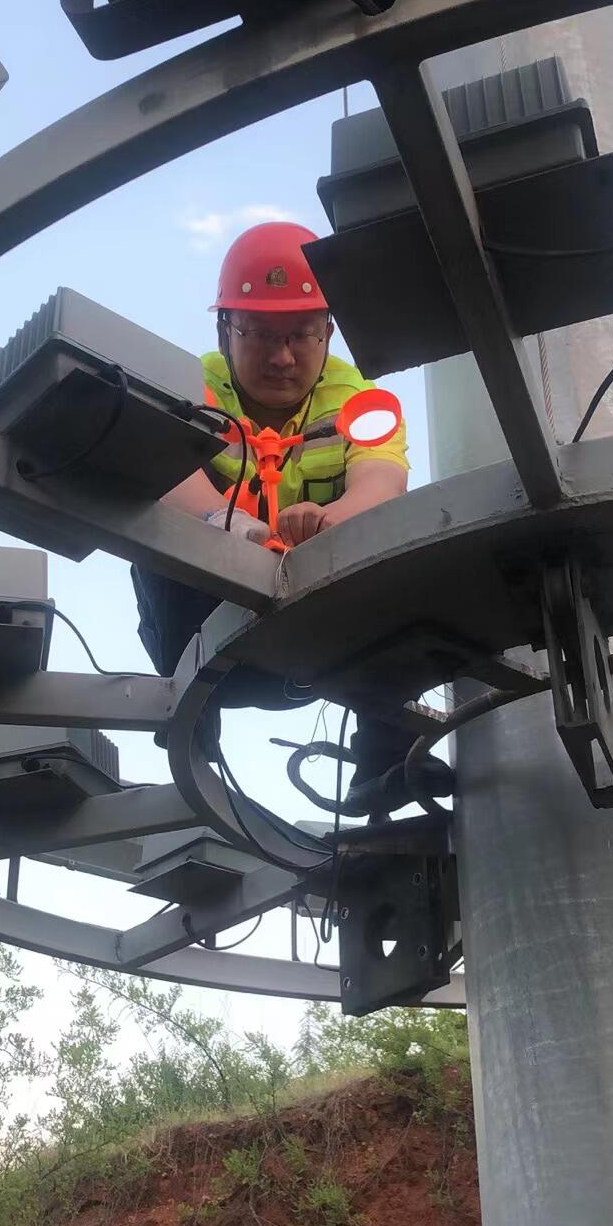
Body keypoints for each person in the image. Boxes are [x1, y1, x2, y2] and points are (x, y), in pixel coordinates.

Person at [131, 222, 450, 809]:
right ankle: (190, 723)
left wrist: (330, 524)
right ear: (225, 329)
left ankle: (385, 758)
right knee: (156, 541)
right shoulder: (186, 388)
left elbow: (382, 482)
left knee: (402, 552)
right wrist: (228, 526)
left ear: (329, 330)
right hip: (209, 625)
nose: (282, 357)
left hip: (317, 635)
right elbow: (163, 474)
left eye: (302, 334)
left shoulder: (361, 402)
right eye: (258, 333)